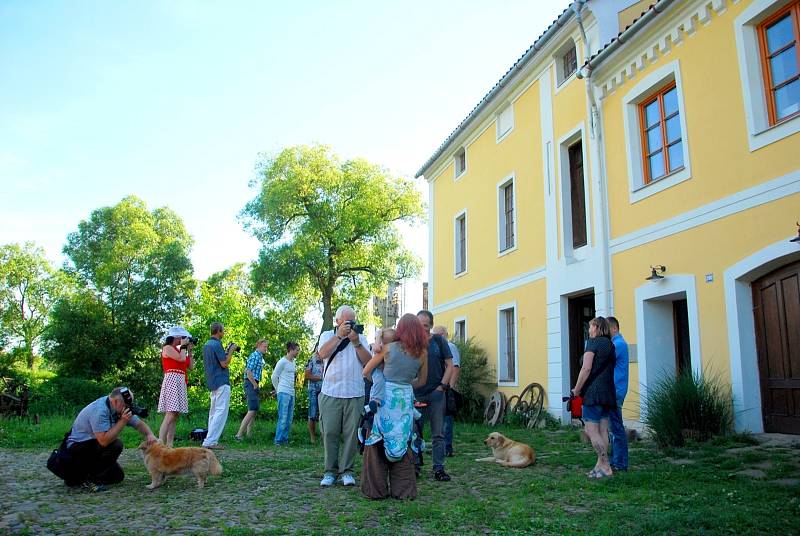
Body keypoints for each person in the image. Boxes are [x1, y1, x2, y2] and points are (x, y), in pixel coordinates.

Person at [360, 314, 429, 500]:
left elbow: (366, 371)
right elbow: (422, 381)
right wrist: (405, 386)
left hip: (386, 399)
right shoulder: (423, 353)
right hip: (405, 399)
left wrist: (379, 382)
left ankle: (376, 490)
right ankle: (404, 491)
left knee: (378, 440)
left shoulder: (388, 349)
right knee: (403, 440)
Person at [60, 387, 157, 492]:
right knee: (116, 445)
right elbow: (104, 441)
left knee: (117, 477)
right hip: (77, 448)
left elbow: (138, 424)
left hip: (94, 445)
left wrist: (149, 434)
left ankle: (82, 476)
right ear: (115, 401)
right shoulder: (100, 410)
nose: (128, 407)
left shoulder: (119, 408)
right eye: (126, 405)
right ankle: (87, 479)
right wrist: (123, 421)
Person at [317, 305, 372, 487]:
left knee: (351, 435)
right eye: (347, 322)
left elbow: (368, 363)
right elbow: (322, 354)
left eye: (353, 321)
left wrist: (356, 342)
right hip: (331, 391)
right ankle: (329, 471)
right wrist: (339, 336)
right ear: (338, 321)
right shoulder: (327, 335)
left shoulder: (361, 337)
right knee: (330, 432)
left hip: (354, 392)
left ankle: (347, 471)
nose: (350, 325)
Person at [571, 316, 617, 479]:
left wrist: (576, 390)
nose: (589, 330)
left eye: (590, 327)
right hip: (608, 392)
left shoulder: (592, 343)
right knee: (603, 430)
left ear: (596, 327)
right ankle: (600, 466)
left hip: (593, 393)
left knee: (591, 430)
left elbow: (586, 368)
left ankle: (605, 465)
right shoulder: (610, 345)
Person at [414, 310, 455, 482]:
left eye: (425, 325)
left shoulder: (439, 341)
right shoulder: (411, 343)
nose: (422, 328)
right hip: (417, 394)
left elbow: (450, 364)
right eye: (419, 324)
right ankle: (414, 466)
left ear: (430, 325)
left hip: (436, 394)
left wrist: (442, 386)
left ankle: (439, 468)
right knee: (415, 432)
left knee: (438, 433)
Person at [202, 322, 237, 450]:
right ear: (218, 331)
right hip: (221, 380)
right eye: (223, 330)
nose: (223, 333)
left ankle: (209, 439)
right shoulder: (217, 344)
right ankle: (211, 441)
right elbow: (224, 363)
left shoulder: (206, 344)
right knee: (221, 412)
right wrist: (231, 351)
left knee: (213, 412)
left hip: (212, 381)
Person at [157, 326, 194, 447]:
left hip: (180, 380)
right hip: (172, 379)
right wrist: (183, 347)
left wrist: (190, 351)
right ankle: (160, 443)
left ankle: (170, 444)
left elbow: (191, 367)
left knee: (175, 414)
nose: (183, 340)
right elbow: (180, 359)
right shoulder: (167, 348)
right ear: (176, 337)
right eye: (182, 338)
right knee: (170, 413)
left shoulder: (180, 350)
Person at [432, 325, 460, 457]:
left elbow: (455, 368)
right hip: (440, 386)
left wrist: (451, 386)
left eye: (436, 334)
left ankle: (447, 447)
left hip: (447, 387)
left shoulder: (450, 346)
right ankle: (440, 446)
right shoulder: (438, 347)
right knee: (439, 418)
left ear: (443, 334)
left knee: (447, 419)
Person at [235, 339, 268, 441]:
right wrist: (254, 384)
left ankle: (249, 435)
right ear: (258, 345)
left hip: (253, 383)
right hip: (250, 383)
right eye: (264, 346)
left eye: (267, 347)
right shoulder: (255, 355)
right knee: (252, 408)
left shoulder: (259, 356)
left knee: (254, 409)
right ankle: (239, 435)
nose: (266, 349)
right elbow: (248, 371)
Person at [608, 316, 629, 472]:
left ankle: (620, 463)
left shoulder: (618, 345)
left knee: (616, 428)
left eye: (607, 329)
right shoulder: (616, 344)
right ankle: (615, 461)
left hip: (615, 390)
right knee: (613, 427)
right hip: (614, 389)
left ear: (614, 328)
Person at [272, 341, 300, 445]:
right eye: (297, 350)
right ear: (291, 350)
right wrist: (278, 389)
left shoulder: (293, 362)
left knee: (289, 418)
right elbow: (274, 376)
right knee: (283, 417)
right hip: (283, 392)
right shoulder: (282, 362)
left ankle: (285, 439)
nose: (298, 352)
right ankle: (278, 440)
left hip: (291, 392)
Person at [304, 351, 324, 443]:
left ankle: (324, 436)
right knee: (312, 414)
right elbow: (307, 375)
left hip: (326, 390)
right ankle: (313, 438)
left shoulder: (328, 357)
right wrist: (321, 378)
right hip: (313, 390)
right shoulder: (311, 359)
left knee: (325, 414)